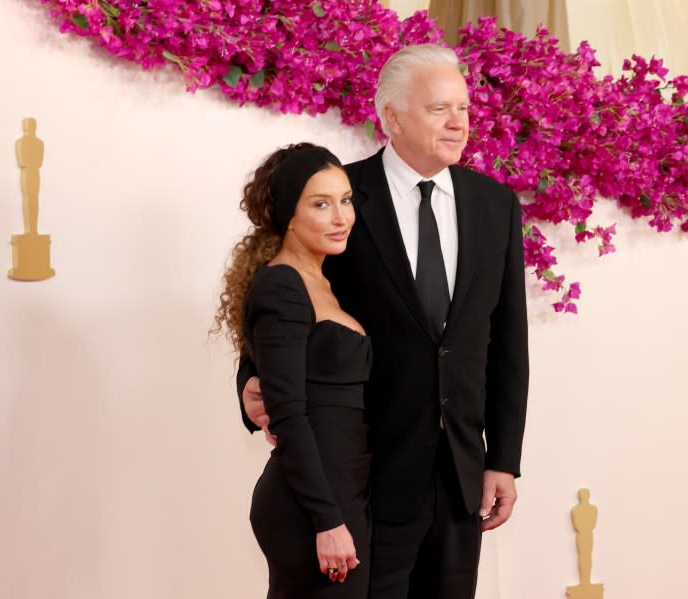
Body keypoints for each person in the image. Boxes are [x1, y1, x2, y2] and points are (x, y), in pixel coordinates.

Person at [238, 44, 530, 599]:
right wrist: (248, 383)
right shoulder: (339, 197)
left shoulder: (496, 205)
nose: (458, 121)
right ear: (392, 116)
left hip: (462, 475)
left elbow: (508, 344)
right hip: (367, 473)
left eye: (464, 108)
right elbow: (287, 296)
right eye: (439, 108)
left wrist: (504, 459)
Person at [215, 143, 372, 598]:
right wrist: (327, 520)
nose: (341, 216)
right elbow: (288, 410)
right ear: (288, 214)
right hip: (313, 504)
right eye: (321, 204)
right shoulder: (282, 284)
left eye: (345, 200)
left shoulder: (325, 280)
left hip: (341, 488)